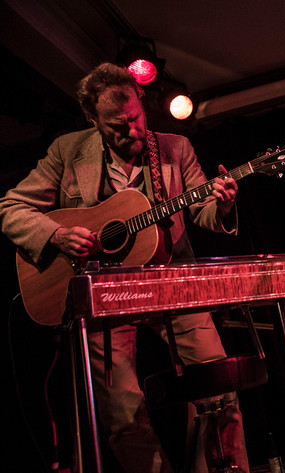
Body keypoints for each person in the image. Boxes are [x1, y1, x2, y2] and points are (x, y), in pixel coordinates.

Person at [0, 63, 248, 473]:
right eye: (117, 126)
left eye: (136, 118)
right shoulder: (67, 151)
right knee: (122, 415)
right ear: (91, 119)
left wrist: (221, 205)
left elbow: (201, 212)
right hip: (105, 297)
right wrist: (56, 236)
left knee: (221, 390)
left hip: (172, 284)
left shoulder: (175, 148)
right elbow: (11, 207)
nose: (132, 131)